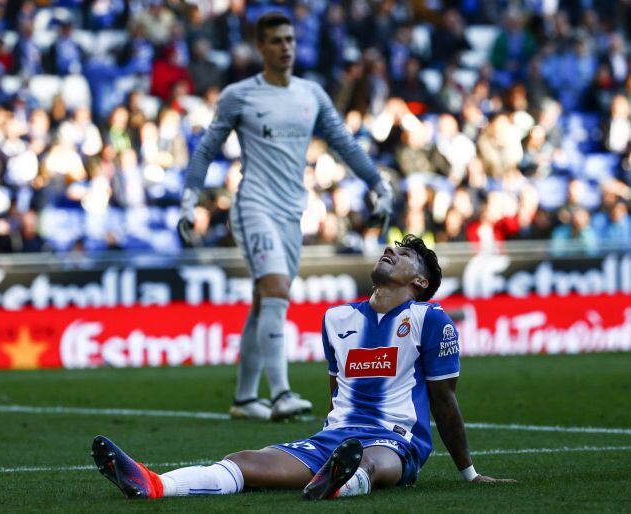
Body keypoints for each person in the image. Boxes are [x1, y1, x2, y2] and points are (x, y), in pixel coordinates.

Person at [91, 235, 514, 501]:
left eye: (402, 255)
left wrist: (469, 473)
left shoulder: (430, 319)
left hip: (394, 441)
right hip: (334, 440)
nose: (390, 251)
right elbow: (336, 392)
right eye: (392, 248)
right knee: (243, 460)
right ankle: (156, 483)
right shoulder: (336, 318)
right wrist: (332, 437)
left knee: (370, 461)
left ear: (419, 283)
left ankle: (339, 481)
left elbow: (444, 401)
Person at [177, 12, 394, 421]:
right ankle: (281, 394)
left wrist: (377, 184)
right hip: (253, 205)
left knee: (265, 302)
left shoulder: (311, 94)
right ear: (260, 47)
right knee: (276, 290)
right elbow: (206, 149)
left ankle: (244, 400)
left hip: (292, 210)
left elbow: (344, 144)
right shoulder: (240, 95)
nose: (286, 46)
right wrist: (190, 199)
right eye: (276, 40)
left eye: (290, 39)